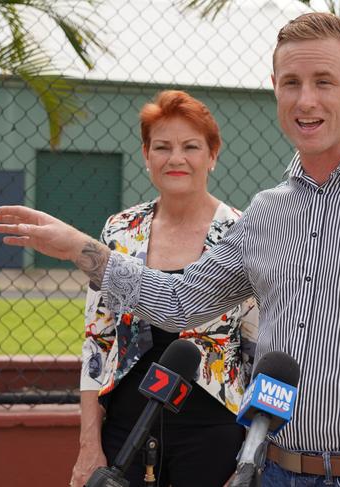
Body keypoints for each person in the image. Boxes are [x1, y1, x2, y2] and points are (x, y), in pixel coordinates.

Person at [0, 13, 340, 487]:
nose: (306, 100)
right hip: (271, 472)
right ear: (275, 90)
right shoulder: (265, 212)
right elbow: (183, 302)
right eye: (291, 83)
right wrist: (85, 250)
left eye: (323, 82)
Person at [64, 90, 257, 487]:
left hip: (214, 432)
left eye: (190, 146)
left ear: (213, 155)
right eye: (162, 147)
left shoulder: (244, 234)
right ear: (146, 155)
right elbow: (96, 341)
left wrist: (250, 459)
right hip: (125, 430)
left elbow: (260, 350)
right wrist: (89, 444)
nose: (176, 158)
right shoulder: (118, 231)